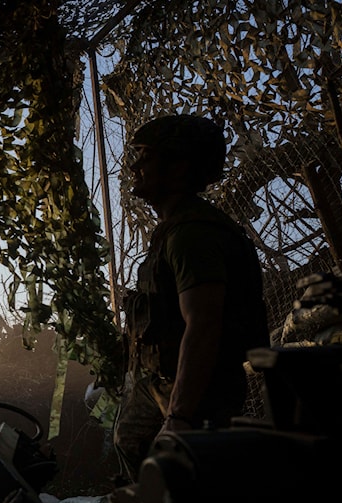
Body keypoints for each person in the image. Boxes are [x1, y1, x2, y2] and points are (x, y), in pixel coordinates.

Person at [113, 114, 269, 482]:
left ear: (178, 168)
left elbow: (203, 323)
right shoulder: (173, 231)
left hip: (196, 395)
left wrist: (180, 416)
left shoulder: (193, 234)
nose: (136, 166)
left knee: (190, 487)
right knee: (134, 450)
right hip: (161, 383)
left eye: (146, 157)